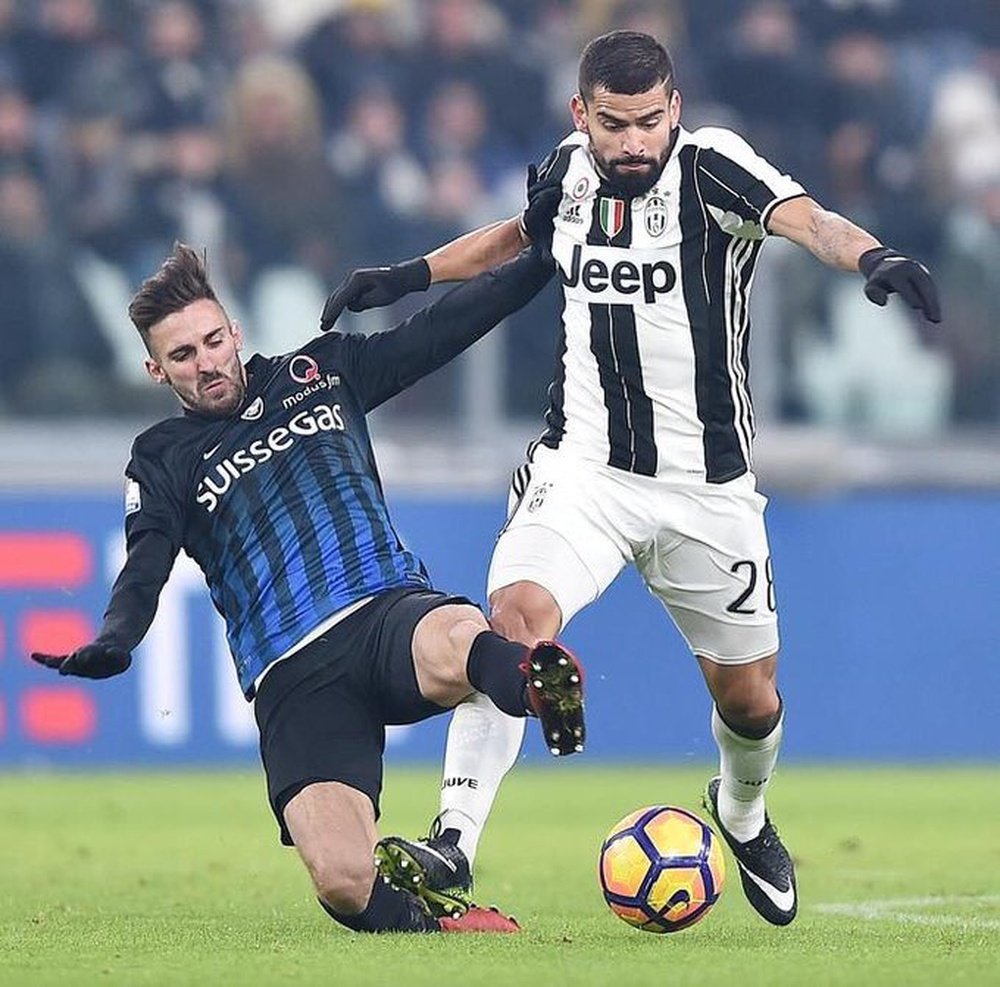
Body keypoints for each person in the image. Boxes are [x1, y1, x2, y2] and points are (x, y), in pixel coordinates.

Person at [320, 30, 941, 928]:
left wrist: (874, 257)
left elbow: (809, 220)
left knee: (750, 696)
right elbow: (514, 239)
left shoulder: (713, 167)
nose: (635, 142)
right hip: (584, 471)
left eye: (650, 121)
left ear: (674, 109)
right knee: (515, 620)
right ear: (584, 116)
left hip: (707, 489)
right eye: (616, 125)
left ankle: (742, 811)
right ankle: (454, 837)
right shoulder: (568, 173)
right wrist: (405, 276)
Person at [31, 239, 586, 935]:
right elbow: (144, 565)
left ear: (235, 330)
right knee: (344, 881)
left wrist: (544, 260)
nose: (206, 363)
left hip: (385, 611)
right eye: (182, 356)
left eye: (211, 340)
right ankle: (432, 922)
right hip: (293, 674)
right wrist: (116, 638)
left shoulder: (320, 371)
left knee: (459, 635)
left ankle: (538, 685)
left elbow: (444, 330)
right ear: (155, 369)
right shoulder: (162, 458)